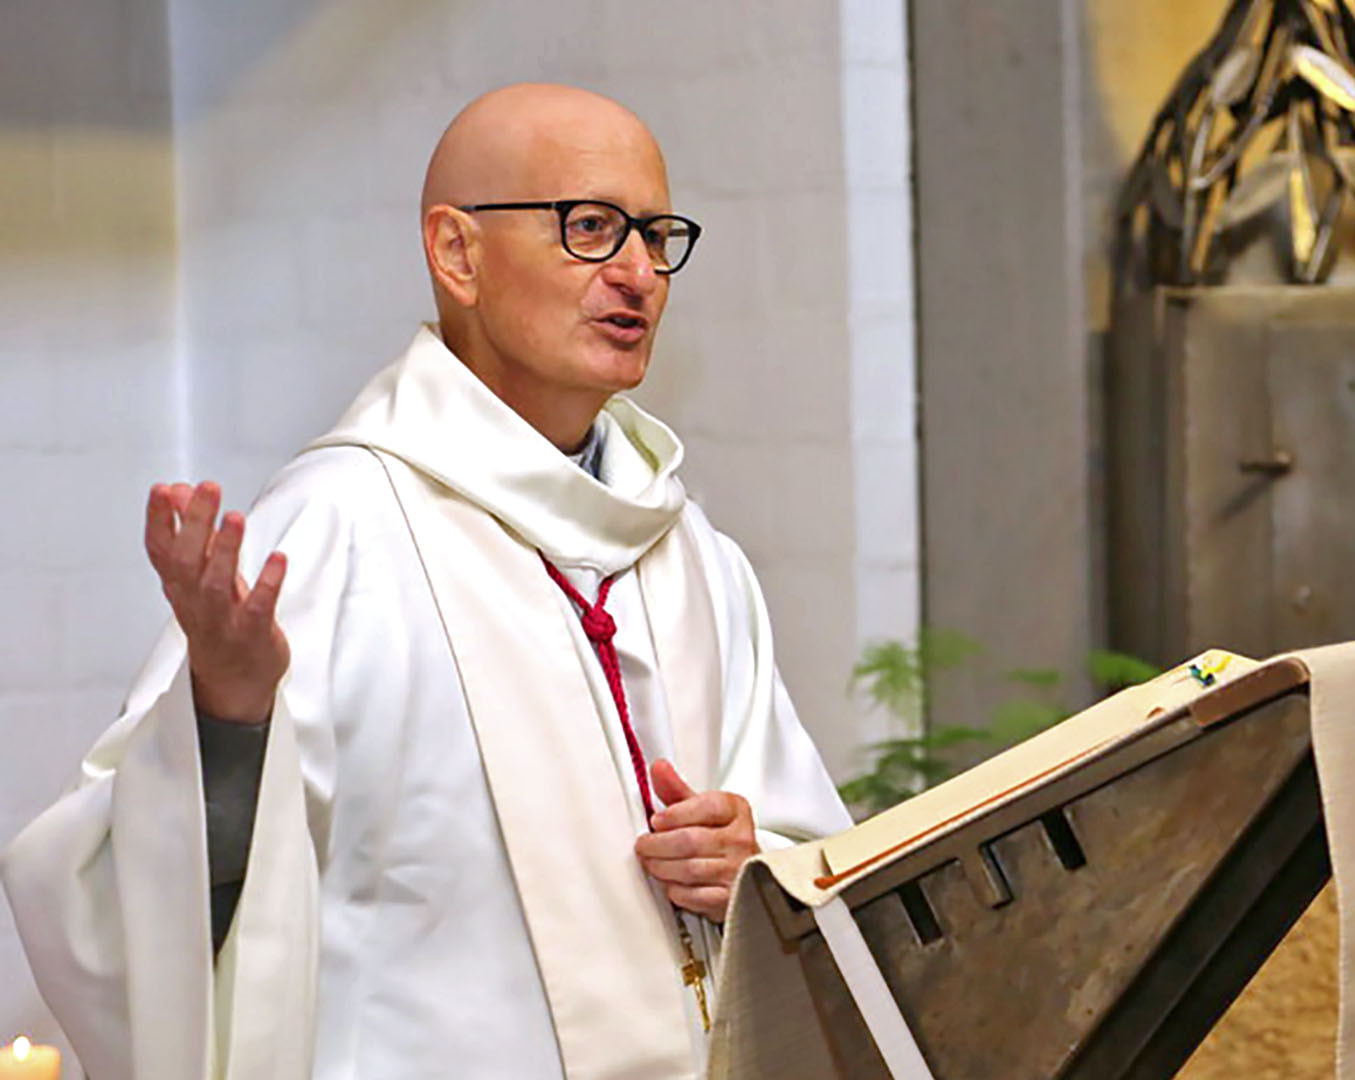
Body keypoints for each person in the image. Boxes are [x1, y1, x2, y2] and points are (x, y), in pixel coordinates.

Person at [0, 83, 852, 1080]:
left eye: (658, 237)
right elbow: (108, 894)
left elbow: (805, 860)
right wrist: (229, 718)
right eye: (590, 228)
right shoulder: (337, 529)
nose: (638, 274)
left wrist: (754, 865)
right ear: (457, 254)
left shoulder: (693, 557)